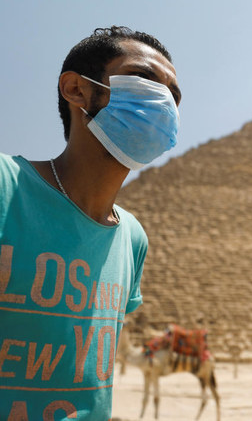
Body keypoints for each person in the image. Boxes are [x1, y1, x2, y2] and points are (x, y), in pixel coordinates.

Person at [0, 26, 181, 420]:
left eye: (174, 95)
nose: (165, 100)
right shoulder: (5, 186)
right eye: (145, 78)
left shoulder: (132, 237)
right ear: (76, 89)